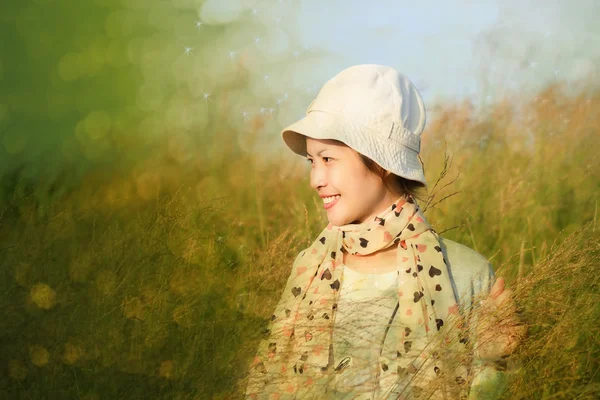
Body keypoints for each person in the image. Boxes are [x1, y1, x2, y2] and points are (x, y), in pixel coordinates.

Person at [245, 64, 525, 399]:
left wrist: (496, 361)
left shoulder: (465, 274)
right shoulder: (309, 267)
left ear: (381, 162)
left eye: (329, 159)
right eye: (312, 161)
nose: (315, 179)